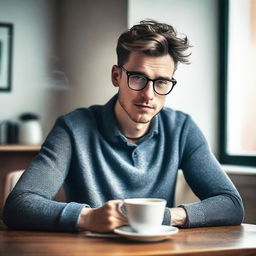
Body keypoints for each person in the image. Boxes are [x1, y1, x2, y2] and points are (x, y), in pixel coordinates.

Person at [3, 20, 244, 232]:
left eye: (161, 82)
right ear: (117, 76)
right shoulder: (72, 128)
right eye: (138, 77)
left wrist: (166, 216)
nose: (149, 94)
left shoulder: (182, 129)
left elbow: (230, 204)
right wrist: (88, 217)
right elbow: (19, 205)